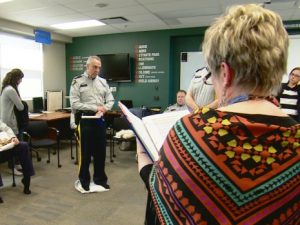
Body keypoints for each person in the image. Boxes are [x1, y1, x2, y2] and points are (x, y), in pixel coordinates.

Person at [137, 4, 300, 225]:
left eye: (211, 75)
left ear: (225, 73)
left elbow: (162, 193)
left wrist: (143, 157)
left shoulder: (189, 131)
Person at [70, 55, 114, 193]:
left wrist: (105, 108)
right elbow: (74, 103)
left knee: (100, 153)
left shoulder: (103, 82)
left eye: (99, 67)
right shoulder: (77, 81)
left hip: (100, 120)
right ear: (87, 66)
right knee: (86, 154)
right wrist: (96, 108)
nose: (97, 70)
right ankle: (84, 181)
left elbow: (111, 100)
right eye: (95, 67)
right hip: (85, 121)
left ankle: (100, 180)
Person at [0, 68, 26, 176]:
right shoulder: (11, 90)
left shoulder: (5, 88)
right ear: (17, 78)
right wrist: (23, 103)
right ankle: (12, 167)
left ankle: (16, 164)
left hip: (5, 120)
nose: (21, 81)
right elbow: (20, 107)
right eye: (20, 79)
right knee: (13, 145)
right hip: (9, 121)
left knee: (14, 143)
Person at [0, 120, 35, 195]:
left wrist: (13, 137)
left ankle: (26, 179)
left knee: (23, 146)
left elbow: (6, 128)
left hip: (3, 148)